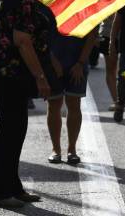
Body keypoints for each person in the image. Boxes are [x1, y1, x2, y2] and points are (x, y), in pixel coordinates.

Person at [0, 0, 54, 209]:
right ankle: (0, 193)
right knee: (10, 132)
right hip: (10, 71)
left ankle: (13, 187)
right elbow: (23, 41)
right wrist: (40, 77)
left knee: (15, 128)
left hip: (0, 67)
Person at [47, 31, 96, 165]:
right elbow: (40, 34)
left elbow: (92, 35)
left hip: (78, 63)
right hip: (52, 62)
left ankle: (72, 149)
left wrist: (80, 63)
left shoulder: (83, 9)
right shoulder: (48, 9)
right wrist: (51, 59)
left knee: (74, 104)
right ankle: (56, 149)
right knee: (54, 105)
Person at [98, 15, 119, 110]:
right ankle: (116, 100)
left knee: (118, 69)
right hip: (108, 34)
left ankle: (119, 97)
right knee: (111, 69)